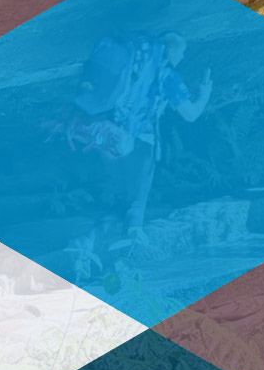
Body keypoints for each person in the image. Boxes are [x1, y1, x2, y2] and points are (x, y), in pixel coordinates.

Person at [75, 31, 212, 280]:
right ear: (171, 52)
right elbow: (190, 114)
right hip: (141, 144)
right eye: (181, 52)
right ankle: (126, 269)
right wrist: (204, 94)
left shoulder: (134, 70)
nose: (182, 57)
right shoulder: (167, 75)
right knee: (135, 207)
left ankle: (86, 243)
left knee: (120, 202)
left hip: (112, 139)